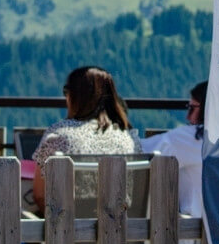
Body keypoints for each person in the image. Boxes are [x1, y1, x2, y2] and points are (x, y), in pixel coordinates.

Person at [31, 66, 141, 212]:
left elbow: (40, 195)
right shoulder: (129, 139)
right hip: (122, 229)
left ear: (75, 96)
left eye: (66, 91)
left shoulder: (59, 135)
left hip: (68, 231)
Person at [142, 80, 207, 216]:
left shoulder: (190, 138)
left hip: (195, 229)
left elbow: (139, 150)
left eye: (192, 108)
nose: (187, 116)